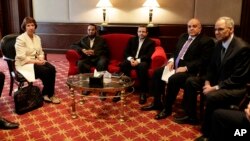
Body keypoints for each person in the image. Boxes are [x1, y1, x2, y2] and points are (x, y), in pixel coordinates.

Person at [141, 18, 215, 122]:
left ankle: (167, 108)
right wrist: (171, 61)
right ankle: (157, 103)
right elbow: (175, 52)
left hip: (191, 71)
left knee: (173, 78)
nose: (191, 28)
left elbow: (204, 60)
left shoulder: (206, 41)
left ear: (200, 28)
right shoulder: (183, 36)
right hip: (175, 67)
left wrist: (186, 67)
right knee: (157, 72)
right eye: (189, 26)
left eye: (194, 26)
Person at [195, 17, 250, 141]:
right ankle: (192, 117)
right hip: (218, 82)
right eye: (215, 30)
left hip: (235, 87)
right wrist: (208, 82)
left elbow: (237, 78)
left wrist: (214, 88)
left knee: (212, 96)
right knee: (191, 82)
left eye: (220, 29)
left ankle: (207, 133)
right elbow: (211, 66)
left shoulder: (242, 48)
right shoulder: (219, 43)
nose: (216, 32)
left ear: (231, 29)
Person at [15, 17, 60, 104]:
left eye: (32, 25)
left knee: (52, 68)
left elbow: (40, 52)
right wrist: (37, 62)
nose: (31, 27)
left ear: (35, 26)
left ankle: (46, 93)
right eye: (28, 25)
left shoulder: (37, 38)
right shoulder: (20, 39)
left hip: (36, 61)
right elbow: (22, 57)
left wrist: (41, 58)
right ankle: (49, 94)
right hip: (24, 64)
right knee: (46, 71)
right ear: (24, 27)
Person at [113, 25, 155, 104]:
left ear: (147, 33)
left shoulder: (151, 42)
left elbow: (149, 55)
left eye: (143, 32)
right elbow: (126, 52)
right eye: (139, 31)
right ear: (137, 32)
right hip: (131, 59)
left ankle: (143, 92)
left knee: (142, 67)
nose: (141, 33)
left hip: (142, 61)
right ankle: (122, 89)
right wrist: (131, 59)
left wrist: (138, 61)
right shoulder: (132, 40)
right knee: (124, 64)